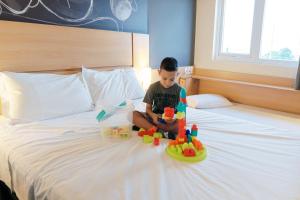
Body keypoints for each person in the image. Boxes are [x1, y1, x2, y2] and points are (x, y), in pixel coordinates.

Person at [133, 57, 182, 139]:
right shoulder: (153, 87)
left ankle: (156, 129)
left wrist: (174, 118)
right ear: (159, 72)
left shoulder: (180, 91)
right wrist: (153, 116)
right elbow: (148, 109)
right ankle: (159, 131)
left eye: (172, 79)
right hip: (155, 119)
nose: (167, 83)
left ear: (177, 74)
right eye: (164, 78)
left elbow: (182, 114)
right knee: (133, 114)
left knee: (182, 123)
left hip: (171, 122)